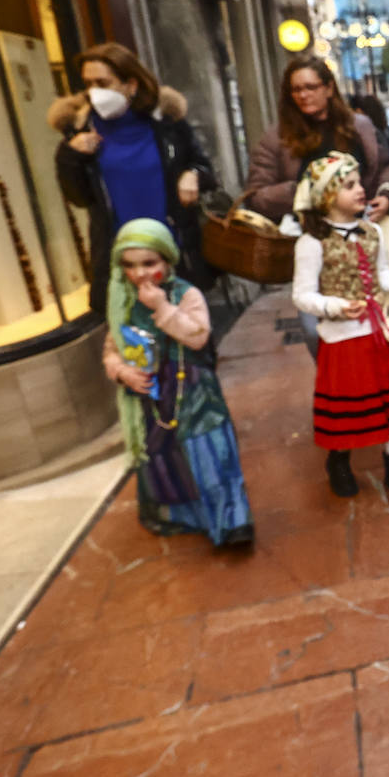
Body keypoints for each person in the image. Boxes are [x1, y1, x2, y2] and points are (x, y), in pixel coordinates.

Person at [103, 218, 253, 547]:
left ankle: (232, 522)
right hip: (152, 394)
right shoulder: (122, 304)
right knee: (168, 459)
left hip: (194, 388)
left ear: (167, 260)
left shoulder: (187, 294)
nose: (140, 273)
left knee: (211, 452)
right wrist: (122, 371)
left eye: (149, 263)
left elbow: (198, 337)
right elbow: (112, 349)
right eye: (130, 266)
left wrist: (162, 308)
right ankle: (189, 516)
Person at [49, 42, 215, 320]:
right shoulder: (79, 133)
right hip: (121, 265)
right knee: (134, 354)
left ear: (131, 85)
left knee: (188, 350)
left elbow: (206, 170)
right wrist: (71, 155)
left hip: (173, 256)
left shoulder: (167, 125)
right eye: (88, 84)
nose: (94, 92)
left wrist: (193, 174)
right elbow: (77, 198)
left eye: (103, 82)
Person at [246, 56, 389, 359]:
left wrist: (387, 194)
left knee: (377, 323)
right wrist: (305, 193)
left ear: (329, 87)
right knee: (318, 331)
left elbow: (383, 167)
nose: (303, 95)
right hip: (313, 238)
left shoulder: (360, 127)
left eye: (311, 87)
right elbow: (256, 195)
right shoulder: (277, 138)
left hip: (361, 233)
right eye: (296, 89)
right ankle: (336, 383)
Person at [291, 152, 389, 501]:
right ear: (326, 196)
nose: (361, 190)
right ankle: (339, 461)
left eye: (359, 182)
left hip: (380, 333)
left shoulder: (372, 231)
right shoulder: (311, 243)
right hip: (342, 338)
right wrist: (334, 306)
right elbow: (302, 295)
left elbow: (383, 271)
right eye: (349, 186)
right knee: (347, 409)